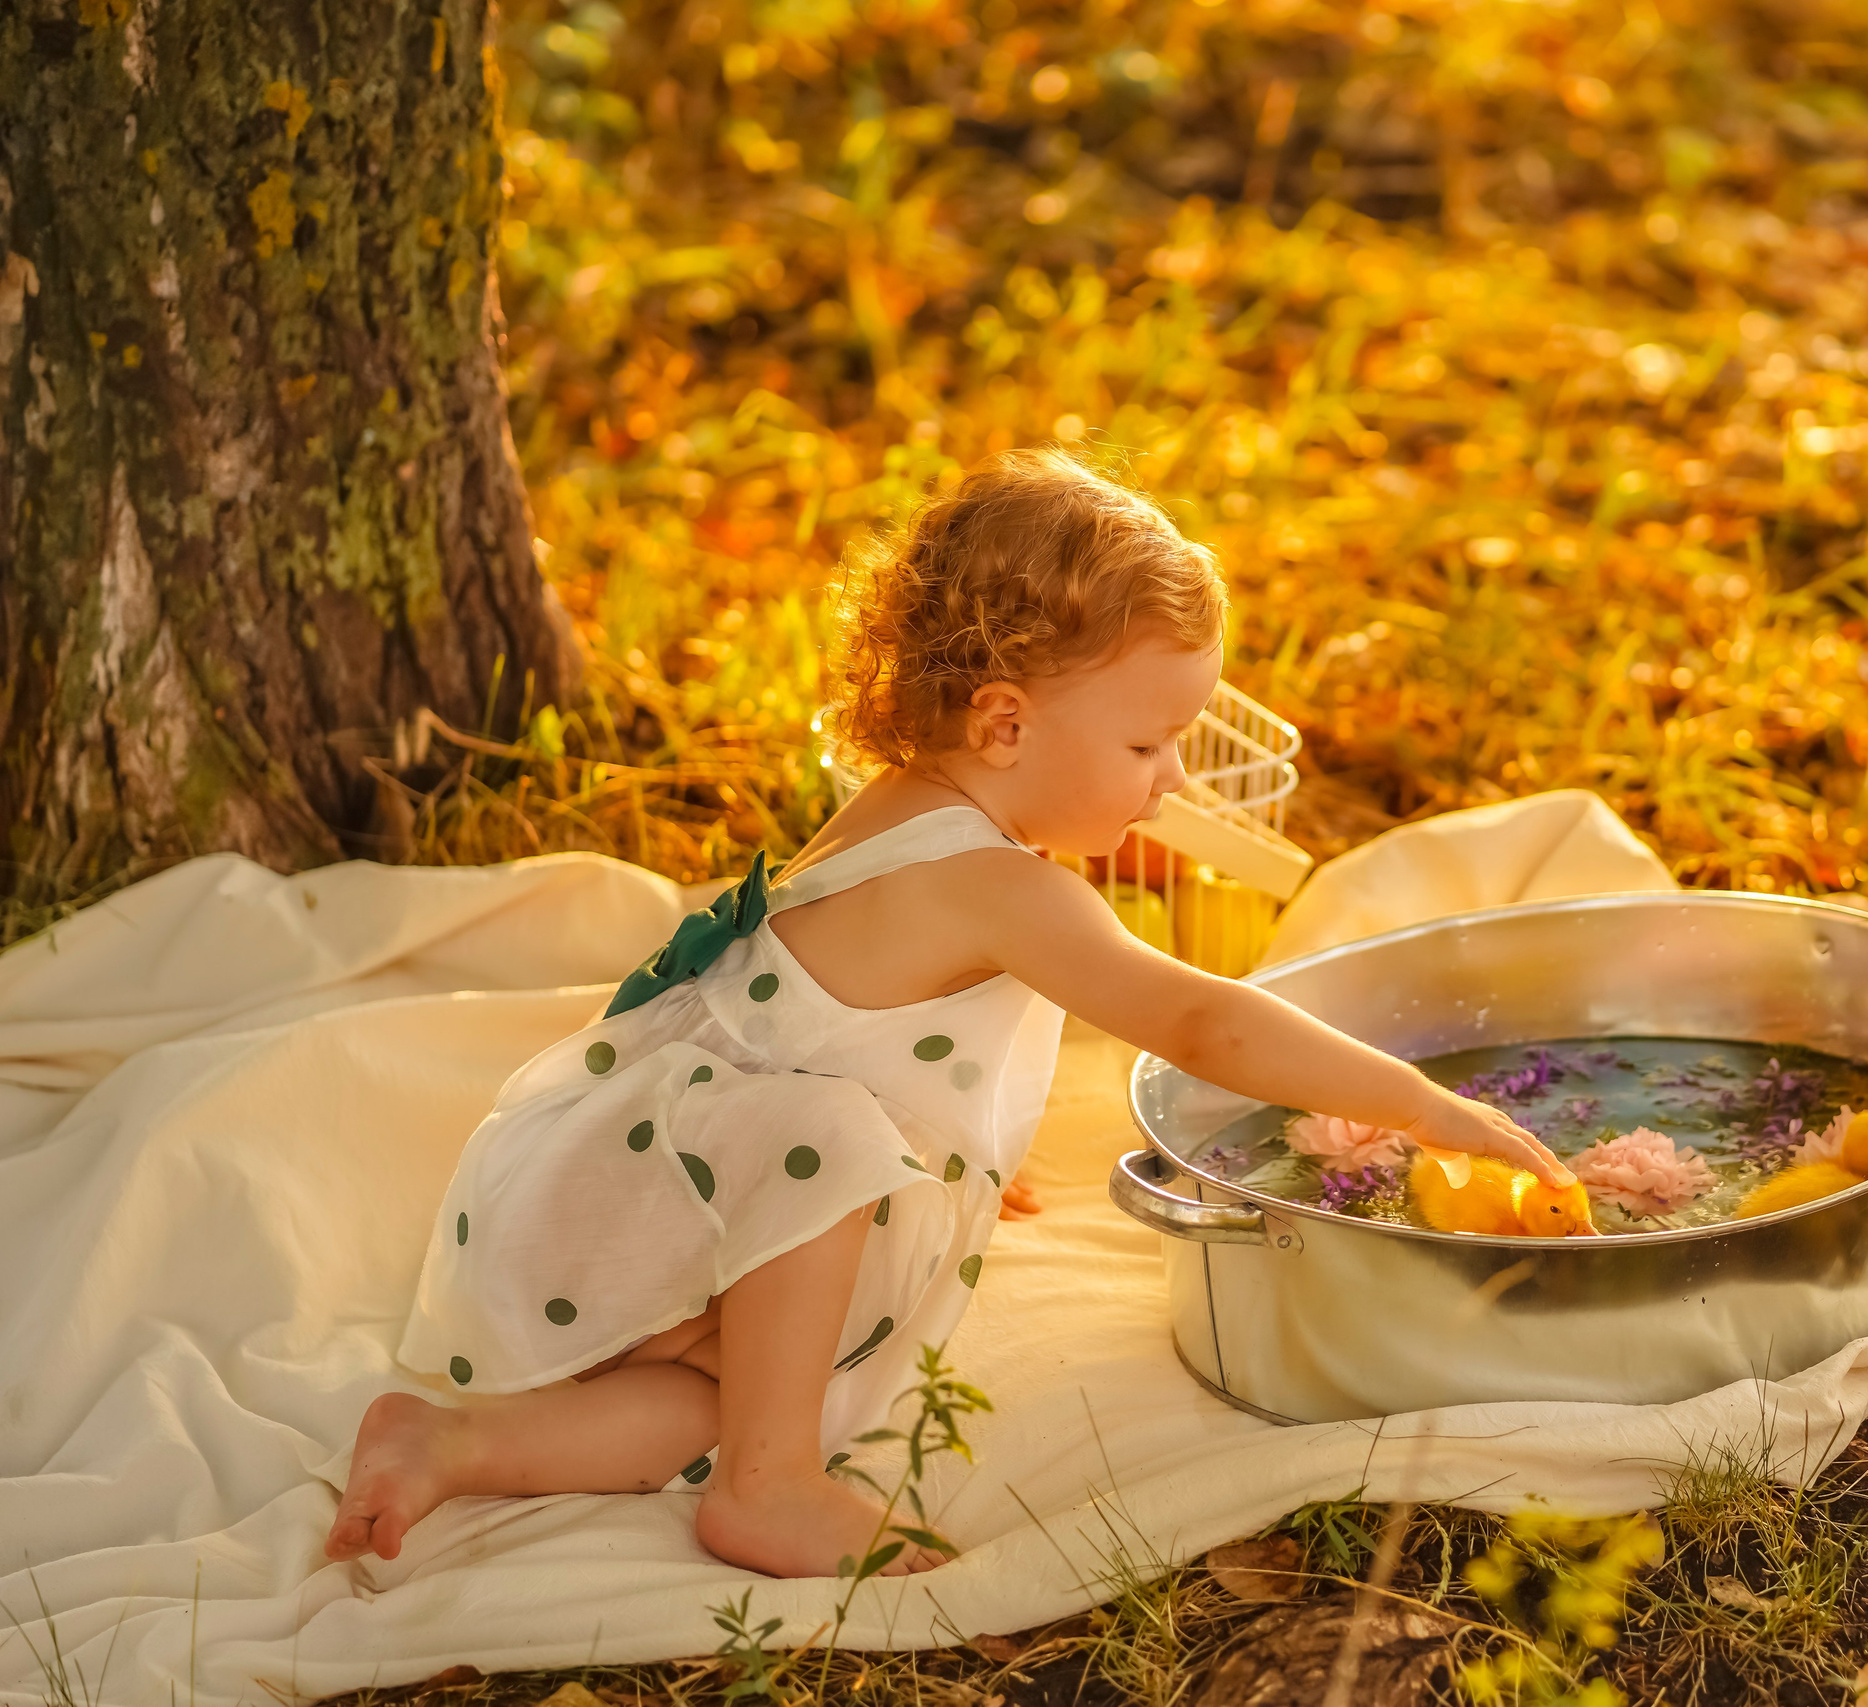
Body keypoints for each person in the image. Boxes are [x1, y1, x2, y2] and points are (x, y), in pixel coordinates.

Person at [324, 450, 1568, 1579]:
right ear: (1005, 723)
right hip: (672, 1212)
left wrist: (942, 1145)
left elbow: (849, 1022)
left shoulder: (901, 804)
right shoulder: (1004, 887)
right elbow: (1205, 1026)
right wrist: (1420, 1102)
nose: (1176, 780)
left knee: (714, 1402)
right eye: (1151, 745)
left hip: (652, 1204)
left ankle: (444, 1447)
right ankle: (773, 1488)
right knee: (807, 1207)